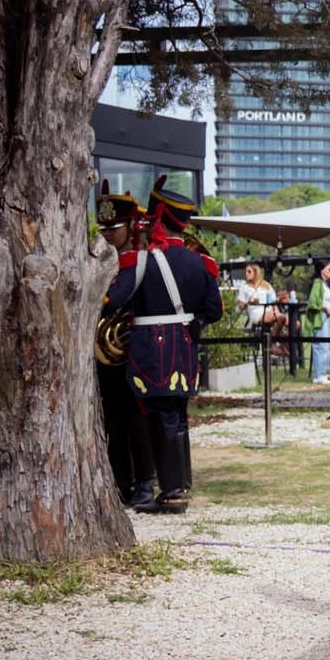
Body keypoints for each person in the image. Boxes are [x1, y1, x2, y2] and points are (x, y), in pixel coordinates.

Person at [105, 179, 222, 514]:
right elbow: (213, 310)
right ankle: (180, 486)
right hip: (183, 347)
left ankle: (171, 492)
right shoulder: (201, 263)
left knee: (161, 417)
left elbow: (112, 302)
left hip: (151, 349)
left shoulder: (141, 261)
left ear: (157, 217)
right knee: (178, 416)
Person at [92, 183, 156, 509]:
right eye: (103, 228)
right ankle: (121, 480)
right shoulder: (101, 258)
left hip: (134, 349)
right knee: (113, 419)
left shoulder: (135, 259)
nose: (107, 234)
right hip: (107, 355)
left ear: (130, 226)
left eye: (113, 228)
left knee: (137, 418)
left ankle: (145, 480)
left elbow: (114, 299)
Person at [305, 260, 330, 384]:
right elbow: (313, 301)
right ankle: (319, 375)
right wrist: (325, 308)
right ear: (321, 270)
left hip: (327, 317)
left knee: (328, 345)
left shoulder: (325, 284)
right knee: (321, 345)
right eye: (329, 269)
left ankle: (322, 372)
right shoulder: (317, 283)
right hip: (321, 317)